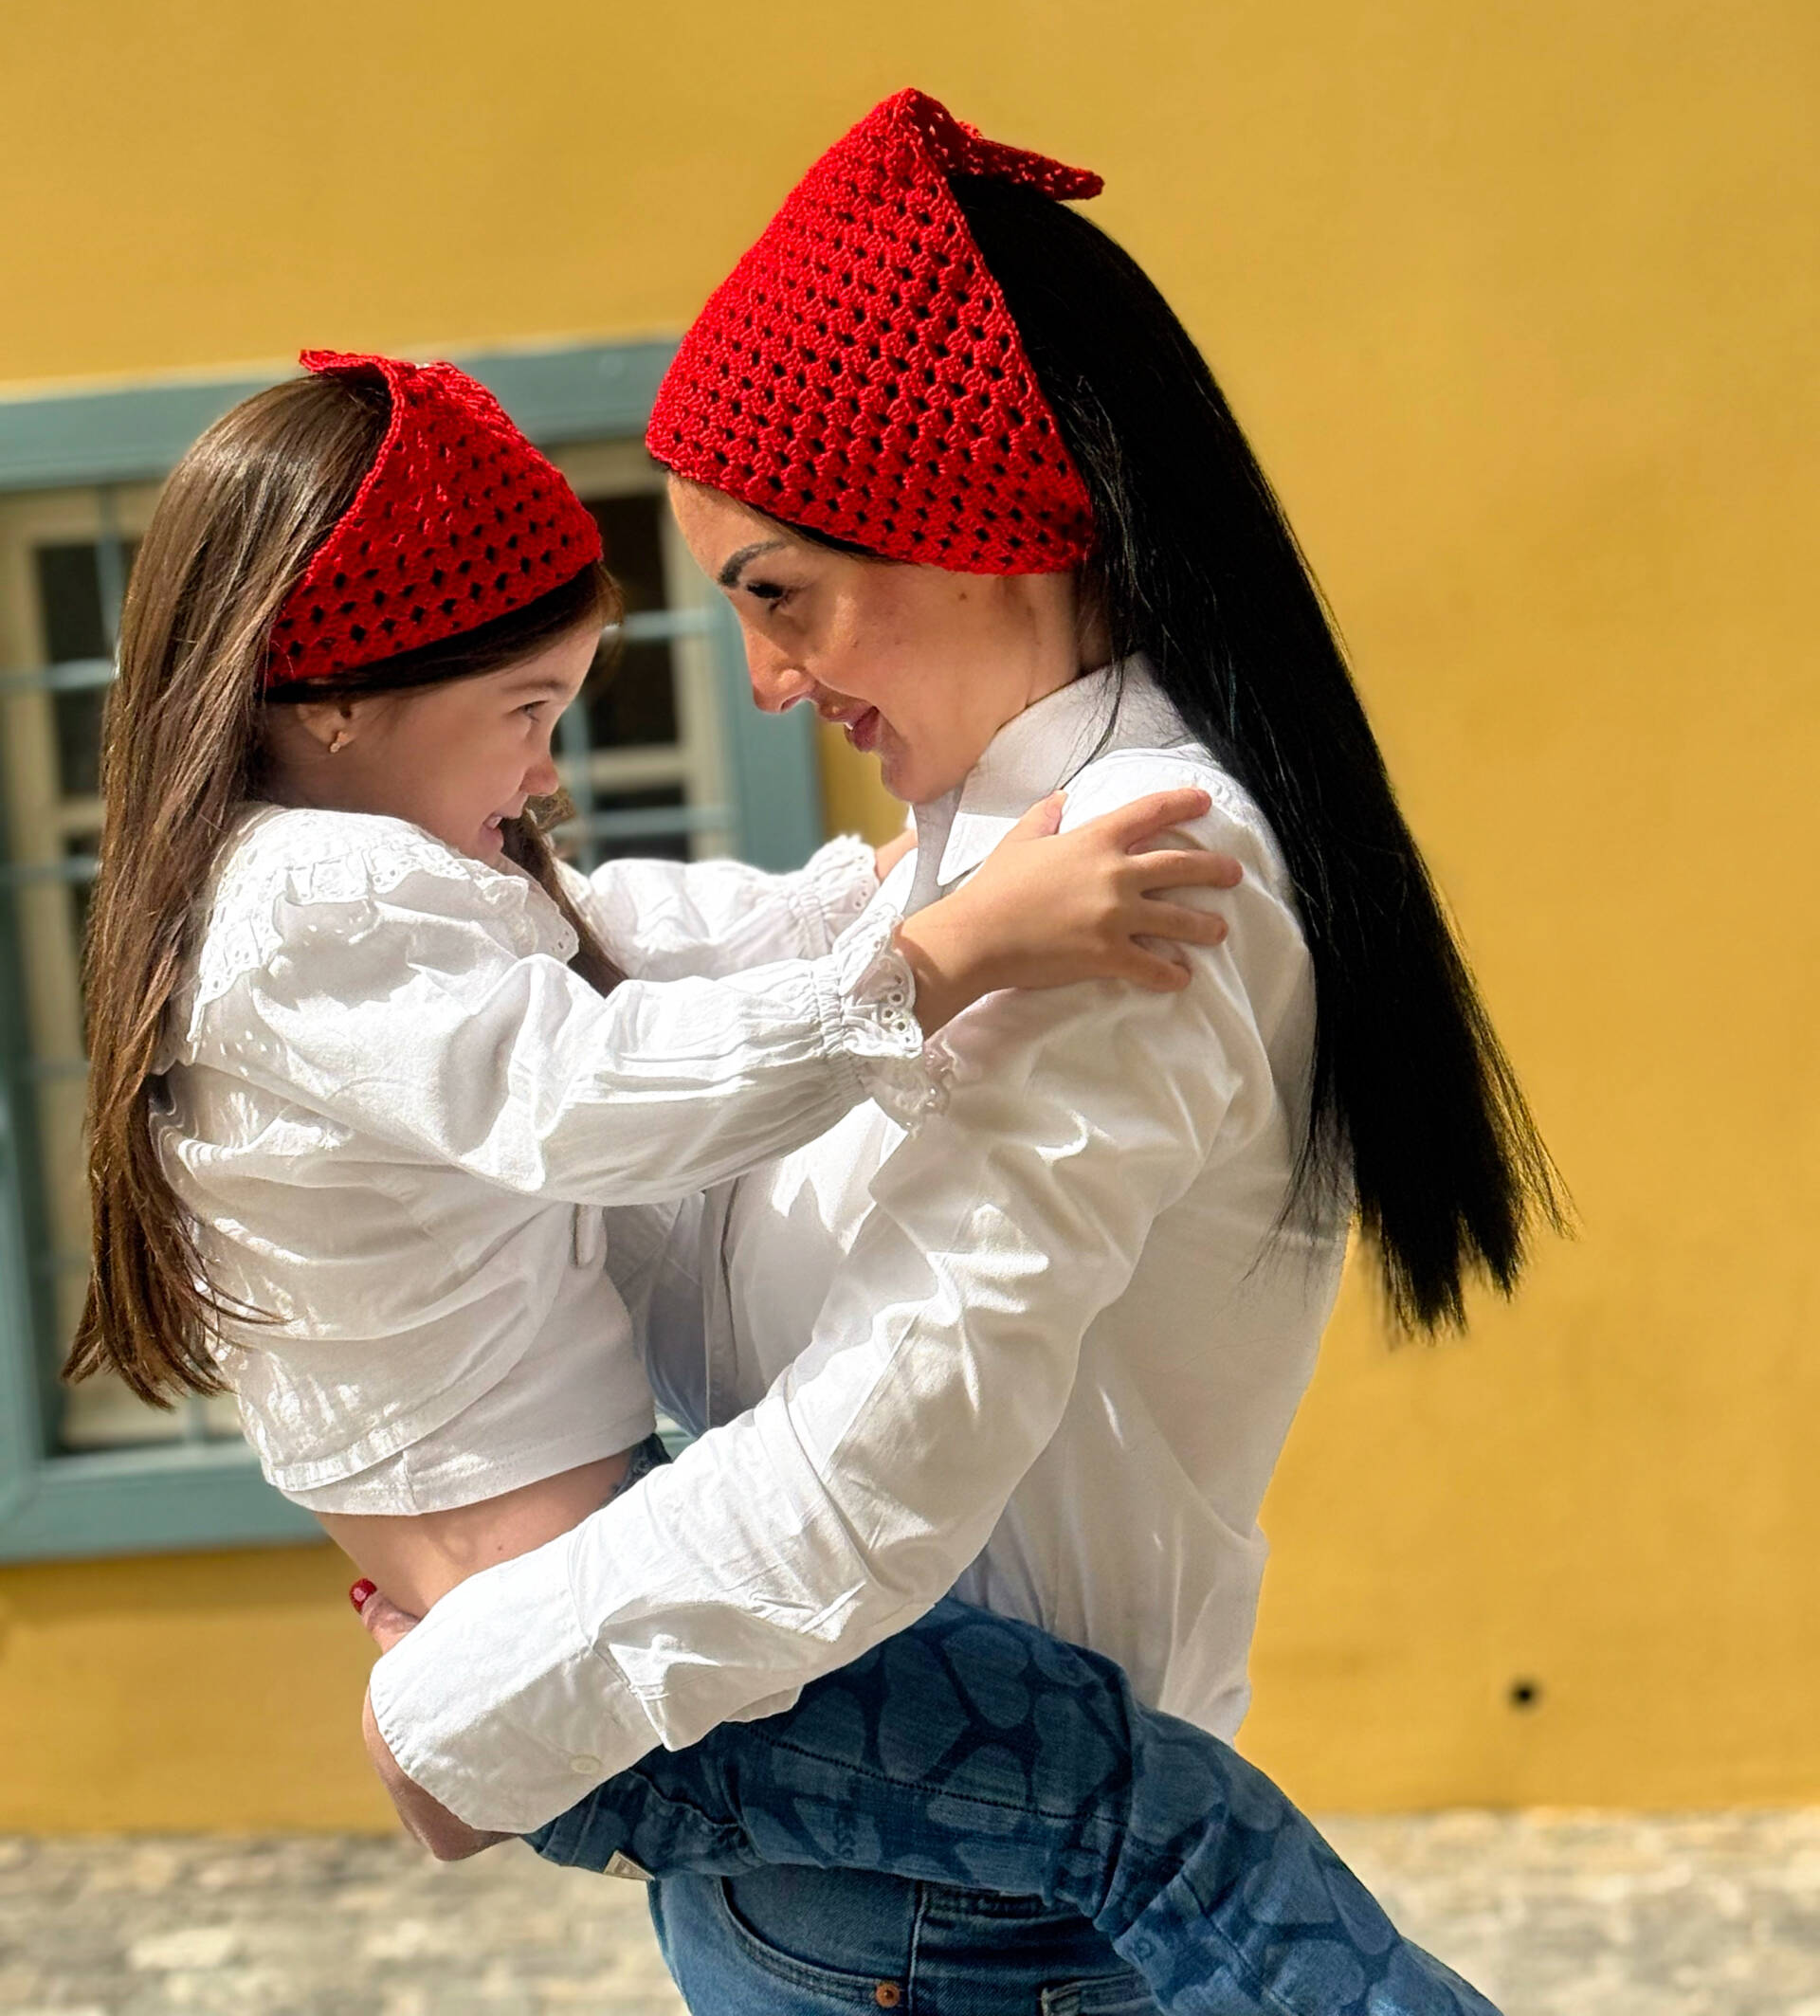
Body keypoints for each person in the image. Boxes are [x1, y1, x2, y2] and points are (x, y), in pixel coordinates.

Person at [64, 344, 1502, 2014]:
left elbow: (651, 943)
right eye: (526, 715)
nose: (547, 774)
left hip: (606, 1650)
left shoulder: (353, 885)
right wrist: (942, 950)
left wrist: (908, 874)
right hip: (583, 1667)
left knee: (1150, 1815)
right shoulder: (322, 906)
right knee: (1163, 1825)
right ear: (333, 701)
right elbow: (601, 1088)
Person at [357, 92, 1557, 2012]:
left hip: (940, 1918)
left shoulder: (1139, 877)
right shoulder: (994, 856)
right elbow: (730, 1078)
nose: (764, 677)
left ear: (987, 523)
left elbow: (891, 1436)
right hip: (885, 1880)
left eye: (780, 593)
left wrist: (482, 1697)